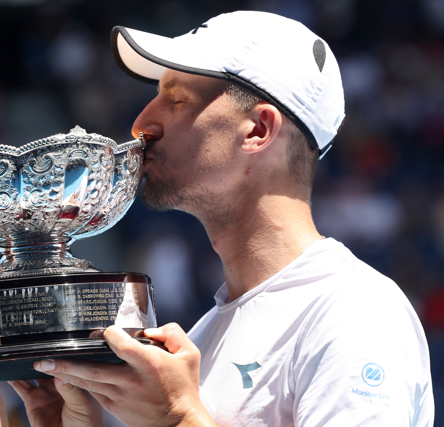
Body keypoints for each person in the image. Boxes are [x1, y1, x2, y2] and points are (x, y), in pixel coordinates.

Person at [27, 10, 435, 427]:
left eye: (177, 98)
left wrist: (178, 418)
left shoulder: (355, 312)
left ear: (258, 130)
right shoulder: (204, 336)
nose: (142, 124)